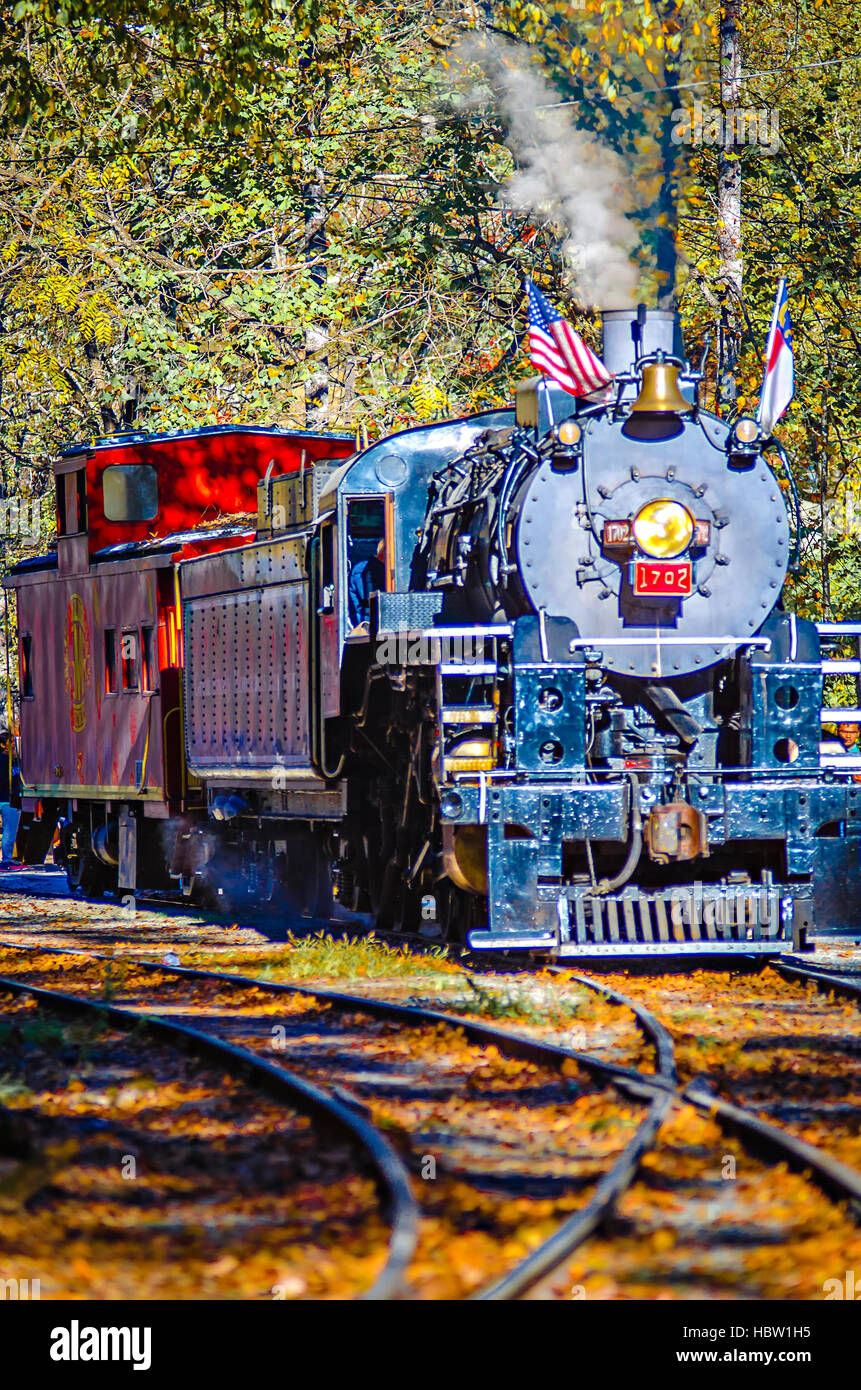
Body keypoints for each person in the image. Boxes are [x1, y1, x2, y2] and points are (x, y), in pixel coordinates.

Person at [0, 727, 21, 866]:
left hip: (11, 798)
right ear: (3, 745)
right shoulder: (3, 760)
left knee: (10, 829)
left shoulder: (14, 760)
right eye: (11, 742)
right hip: (7, 799)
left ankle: (7, 858)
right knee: (9, 830)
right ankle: (6, 859)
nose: (14, 744)